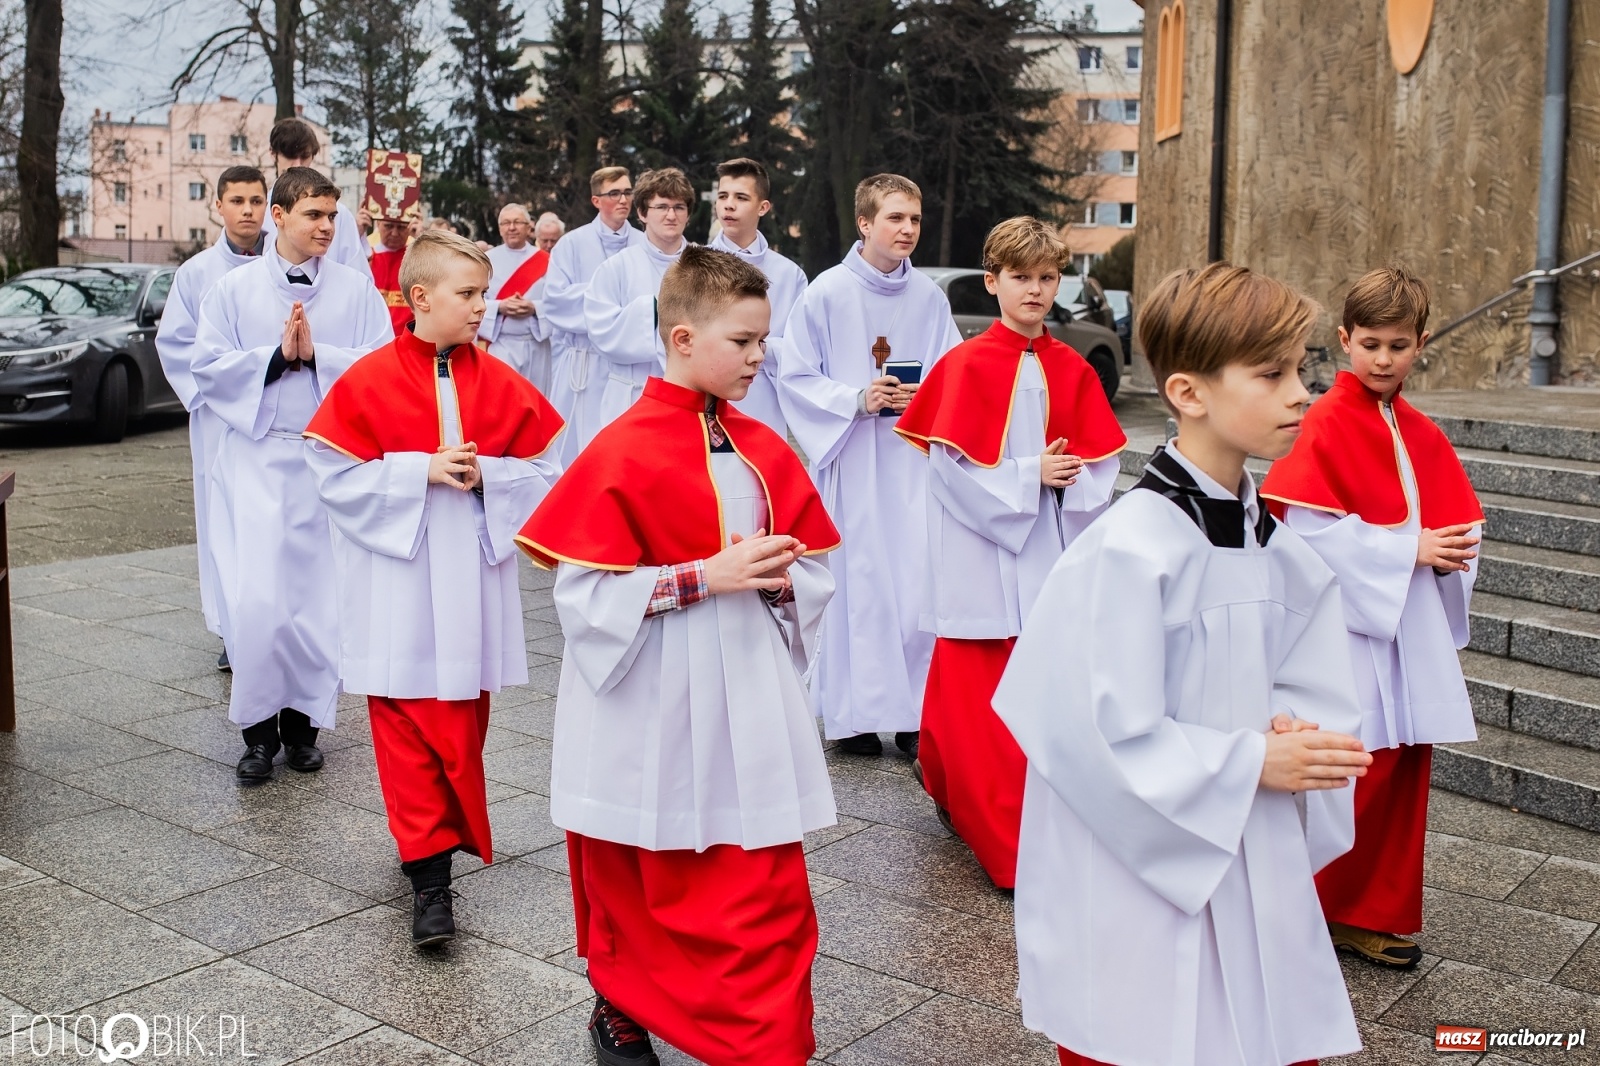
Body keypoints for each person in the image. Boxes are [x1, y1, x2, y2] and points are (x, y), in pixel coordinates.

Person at [992, 262, 1373, 1066]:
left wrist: (1297, 728)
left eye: (1302, 369)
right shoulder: (1127, 550)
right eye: (1272, 374)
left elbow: (1313, 680)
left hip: (1249, 848)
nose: (1302, 393)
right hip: (1146, 876)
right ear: (1188, 393)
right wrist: (1248, 759)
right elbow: (1089, 737)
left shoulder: (1281, 552)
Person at [517, 247, 840, 1066]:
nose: (760, 358)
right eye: (744, 342)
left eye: (765, 341)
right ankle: (621, 1002)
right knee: (644, 871)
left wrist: (780, 581)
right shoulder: (621, 449)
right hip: (651, 691)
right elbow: (582, 599)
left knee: (760, 882)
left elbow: (812, 572)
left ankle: (770, 1042)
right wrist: (704, 576)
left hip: (750, 690)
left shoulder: (764, 447)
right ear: (684, 337)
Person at [305, 230, 564, 946]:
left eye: (483, 292)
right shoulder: (369, 377)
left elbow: (548, 473)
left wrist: (492, 476)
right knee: (403, 724)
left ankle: (431, 848)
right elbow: (332, 475)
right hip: (399, 586)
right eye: (469, 294)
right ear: (420, 298)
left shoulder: (504, 380)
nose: (484, 306)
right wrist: (414, 470)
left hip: (470, 589)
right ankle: (429, 883)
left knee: (460, 729)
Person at [1261, 265, 1483, 971]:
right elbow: (1304, 533)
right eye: (1370, 344)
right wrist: (1405, 548)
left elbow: (1455, 522)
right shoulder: (1323, 421)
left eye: (1398, 345)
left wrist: (1449, 556)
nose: (1383, 359)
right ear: (1343, 340)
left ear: (1420, 344)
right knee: (1350, 769)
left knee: (1403, 767)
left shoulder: (1418, 428)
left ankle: (1373, 912)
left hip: (1406, 629)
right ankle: (1313, 907)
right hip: (1347, 634)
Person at [895, 216, 1125, 891]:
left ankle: (944, 775)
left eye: (1047, 278)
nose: (1034, 289)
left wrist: (1069, 478)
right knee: (976, 694)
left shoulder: (1072, 368)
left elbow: (1101, 468)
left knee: (1028, 693)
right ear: (992, 282)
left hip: (1046, 551)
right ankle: (1005, 840)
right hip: (978, 555)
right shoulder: (962, 366)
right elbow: (948, 473)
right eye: (1020, 277)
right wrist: (1027, 477)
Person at [193, 167, 393, 784]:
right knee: (258, 602)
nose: (327, 227)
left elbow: (380, 367)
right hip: (256, 459)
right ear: (278, 216)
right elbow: (207, 367)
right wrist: (277, 358)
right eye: (314, 215)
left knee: (315, 601)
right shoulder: (231, 291)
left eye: (333, 215)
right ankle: (257, 736)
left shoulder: (356, 292)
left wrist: (320, 357)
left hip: (325, 459)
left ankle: (304, 727)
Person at [778, 173, 961, 757]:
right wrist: (856, 399)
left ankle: (912, 714)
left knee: (914, 581)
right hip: (854, 458)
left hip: (910, 462)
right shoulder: (827, 293)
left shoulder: (930, 298)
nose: (907, 230)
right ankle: (854, 715)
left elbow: (952, 371)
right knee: (860, 584)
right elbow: (797, 374)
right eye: (895, 219)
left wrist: (924, 397)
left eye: (914, 219)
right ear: (865, 223)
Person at [155, 165, 269, 672]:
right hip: (220, 420)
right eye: (238, 200)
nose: (248, 210)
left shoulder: (291, 264)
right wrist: (223, 392)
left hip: (277, 414)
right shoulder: (197, 273)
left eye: (256, 200)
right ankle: (229, 626)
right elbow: (176, 343)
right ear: (218, 206)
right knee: (223, 520)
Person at [581, 167, 694, 447]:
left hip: (690, 398)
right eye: (662, 207)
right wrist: (655, 309)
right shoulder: (616, 267)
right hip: (632, 396)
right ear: (642, 213)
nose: (671, 215)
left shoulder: (703, 266)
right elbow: (602, 331)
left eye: (679, 207)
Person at [540, 167, 647, 461]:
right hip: (582, 364)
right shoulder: (572, 243)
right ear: (596, 200)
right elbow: (555, 301)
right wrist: (612, 300)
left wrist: (610, 303)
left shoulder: (644, 243)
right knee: (574, 448)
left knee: (621, 444)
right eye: (615, 193)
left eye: (628, 192)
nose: (624, 200)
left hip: (629, 365)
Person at [708, 158, 806, 435]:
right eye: (723, 196)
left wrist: (757, 347)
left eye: (741, 197)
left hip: (763, 395)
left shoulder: (789, 274)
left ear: (763, 207)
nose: (728, 205)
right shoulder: (694, 266)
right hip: (706, 395)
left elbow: (800, 347)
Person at [261, 117, 372, 278]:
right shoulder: (259, 210)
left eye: (304, 156)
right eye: (290, 155)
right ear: (273, 153)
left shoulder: (340, 214)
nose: (298, 163)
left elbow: (358, 279)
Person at [480, 203, 554, 392]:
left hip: (536, 345)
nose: (511, 227)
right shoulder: (486, 260)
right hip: (502, 344)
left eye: (517, 222)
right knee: (503, 398)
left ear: (529, 227)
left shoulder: (548, 260)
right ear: (499, 228)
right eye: (505, 223)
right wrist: (499, 307)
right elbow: (474, 300)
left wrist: (534, 308)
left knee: (536, 398)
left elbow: (558, 302)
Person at [369, 215, 415, 336]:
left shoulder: (419, 259)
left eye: (401, 227)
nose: (394, 233)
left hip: (407, 340)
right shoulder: (364, 257)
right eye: (388, 226)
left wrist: (423, 240)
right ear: (378, 223)